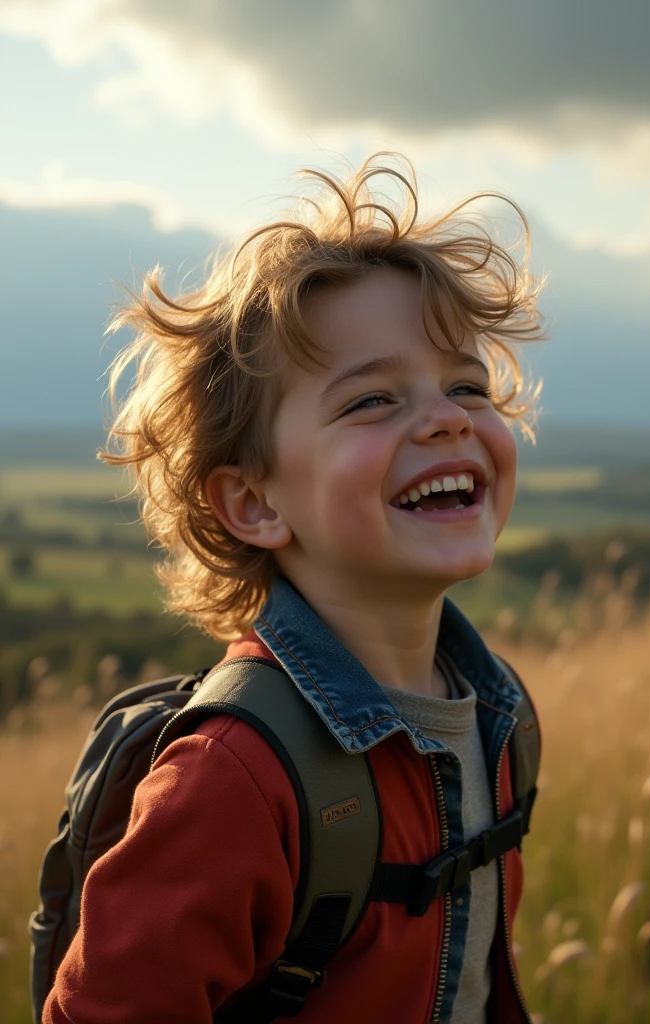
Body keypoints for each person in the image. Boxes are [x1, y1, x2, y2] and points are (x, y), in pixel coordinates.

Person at [43, 154, 545, 1023]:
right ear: (254, 502)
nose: (449, 416)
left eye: (467, 385)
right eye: (372, 401)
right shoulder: (233, 778)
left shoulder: (498, 713)